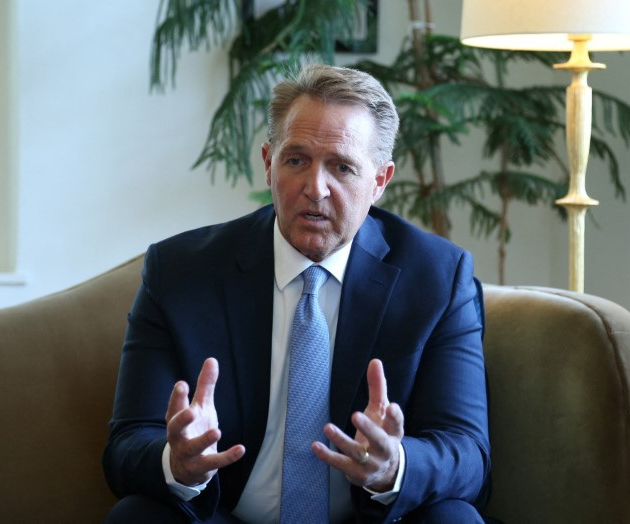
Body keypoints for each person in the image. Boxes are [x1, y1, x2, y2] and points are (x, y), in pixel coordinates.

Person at [103, 63, 490, 523]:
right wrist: (178, 462)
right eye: (296, 160)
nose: (315, 188)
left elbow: (467, 453)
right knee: (135, 516)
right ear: (269, 164)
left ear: (380, 181)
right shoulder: (183, 273)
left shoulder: (438, 278)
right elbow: (128, 444)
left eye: (342, 167)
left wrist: (394, 466)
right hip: (227, 515)